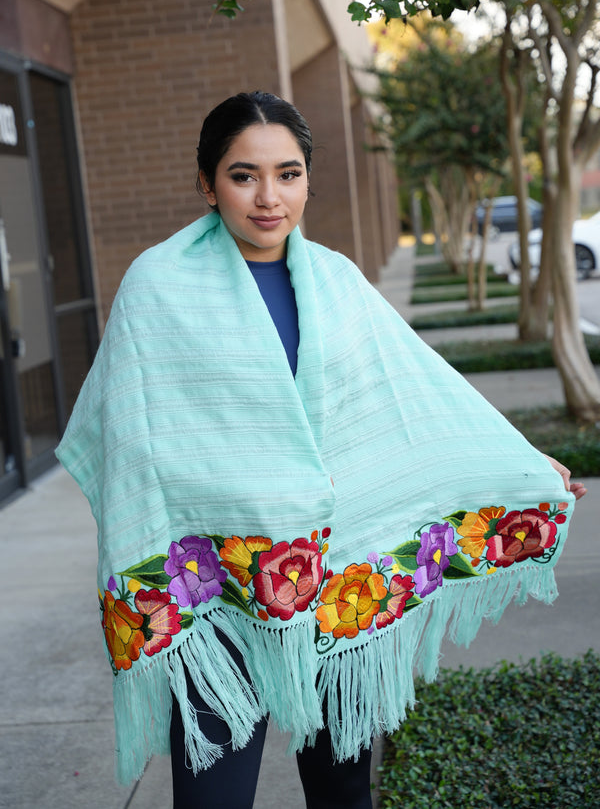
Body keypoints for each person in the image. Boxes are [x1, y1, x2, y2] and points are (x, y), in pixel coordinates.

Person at [56, 91, 585, 809]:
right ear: (207, 183)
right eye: (244, 176)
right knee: (213, 796)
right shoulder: (158, 285)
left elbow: (415, 393)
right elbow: (133, 433)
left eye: (289, 173)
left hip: (340, 578)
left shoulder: (336, 280)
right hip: (221, 585)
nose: (269, 197)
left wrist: (524, 464)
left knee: (343, 792)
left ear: (307, 178)